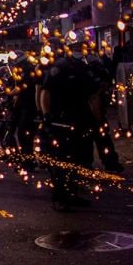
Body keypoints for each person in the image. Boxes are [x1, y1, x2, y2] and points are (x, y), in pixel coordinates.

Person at [38, 41, 100, 210]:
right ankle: (59, 197)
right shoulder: (58, 68)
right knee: (60, 161)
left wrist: (97, 119)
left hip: (79, 120)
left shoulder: (84, 68)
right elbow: (45, 92)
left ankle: (72, 194)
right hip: (60, 121)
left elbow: (94, 96)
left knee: (78, 159)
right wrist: (47, 115)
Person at [86, 55, 124, 173]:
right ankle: (108, 163)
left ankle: (89, 163)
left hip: (87, 112)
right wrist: (99, 118)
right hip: (89, 112)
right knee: (99, 137)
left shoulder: (93, 70)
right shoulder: (95, 76)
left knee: (94, 138)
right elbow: (95, 98)